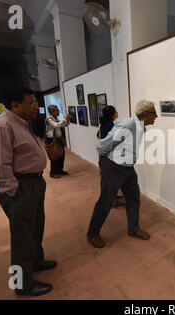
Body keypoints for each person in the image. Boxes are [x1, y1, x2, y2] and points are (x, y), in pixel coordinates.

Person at [0, 87, 56, 297]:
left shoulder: (22, 123)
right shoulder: (1, 127)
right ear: (15, 104)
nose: (36, 107)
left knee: (36, 226)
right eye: (31, 103)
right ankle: (21, 283)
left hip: (34, 183)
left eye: (36, 103)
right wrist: (14, 192)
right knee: (21, 237)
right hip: (20, 188)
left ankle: (36, 261)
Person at [87, 100, 158, 248]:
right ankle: (92, 233)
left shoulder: (140, 127)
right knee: (105, 202)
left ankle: (133, 229)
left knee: (133, 198)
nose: (156, 116)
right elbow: (103, 144)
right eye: (154, 113)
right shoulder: (126, 125)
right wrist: (102, 162)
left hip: (128, 168)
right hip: (113, 166)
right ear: (145, 114)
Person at [97, 105, 125, 208]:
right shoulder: (111, 126)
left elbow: (99, 136)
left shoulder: (104, 125)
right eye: (115, 111)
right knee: (110, 180)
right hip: (109, 156)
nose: (117, 113)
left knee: (108, 179)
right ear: (112, 114)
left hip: (105, 155)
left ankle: (112, 197)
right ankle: (111, 201)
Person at [45, 105, 71, 179]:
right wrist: (64, 119)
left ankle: (60, 170)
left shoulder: (56, 118)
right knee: (54, 156)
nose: (59, 112)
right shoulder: (49, 119)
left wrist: (67, 120)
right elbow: (56, 125)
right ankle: (53, 172)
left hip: (58, 139)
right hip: (51, 140)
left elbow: (64, 125)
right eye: (57, 110)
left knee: (61, 155)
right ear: (52, 112)